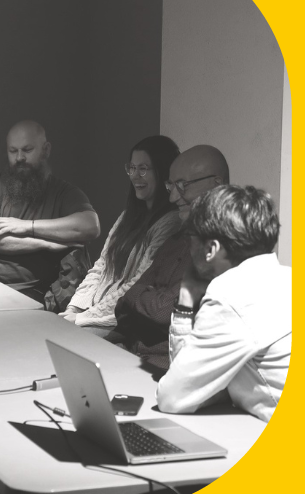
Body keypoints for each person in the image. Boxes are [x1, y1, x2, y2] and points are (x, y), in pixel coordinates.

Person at [156, 185, 291, 423]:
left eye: (191, 238)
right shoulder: (288, 278)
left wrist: (185, 299)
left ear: (211, 249)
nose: (188, 248)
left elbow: (173, 396)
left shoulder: (231, 294)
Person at [112, 145, 229, 369]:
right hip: (131, 354)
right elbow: (124, 302)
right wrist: (146, 297)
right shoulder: (175, 241)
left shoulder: (225, 246)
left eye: (183, 185)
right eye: (171, 186)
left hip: (172, 370)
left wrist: (142, 297)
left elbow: (162, 310)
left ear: (217, 185)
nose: (173, 197)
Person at [0, 120, 100, 304]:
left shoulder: (64, 193)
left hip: (23, 293)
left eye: (27, 150)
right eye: (13, 151)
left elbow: (91, 226)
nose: (19, 157)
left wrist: (27, 227)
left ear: (46, 150)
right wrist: (46, 243)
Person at [60, 135, 181, 333]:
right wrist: (74, 308)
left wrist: (84, 318)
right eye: (132, 168)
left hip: (118, 318)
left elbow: (138, 283)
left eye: (143, 169)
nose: (135, 176)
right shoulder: (128, 216)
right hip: (93, 312)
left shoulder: (170, 221)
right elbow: (102, 266)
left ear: (162, 171)